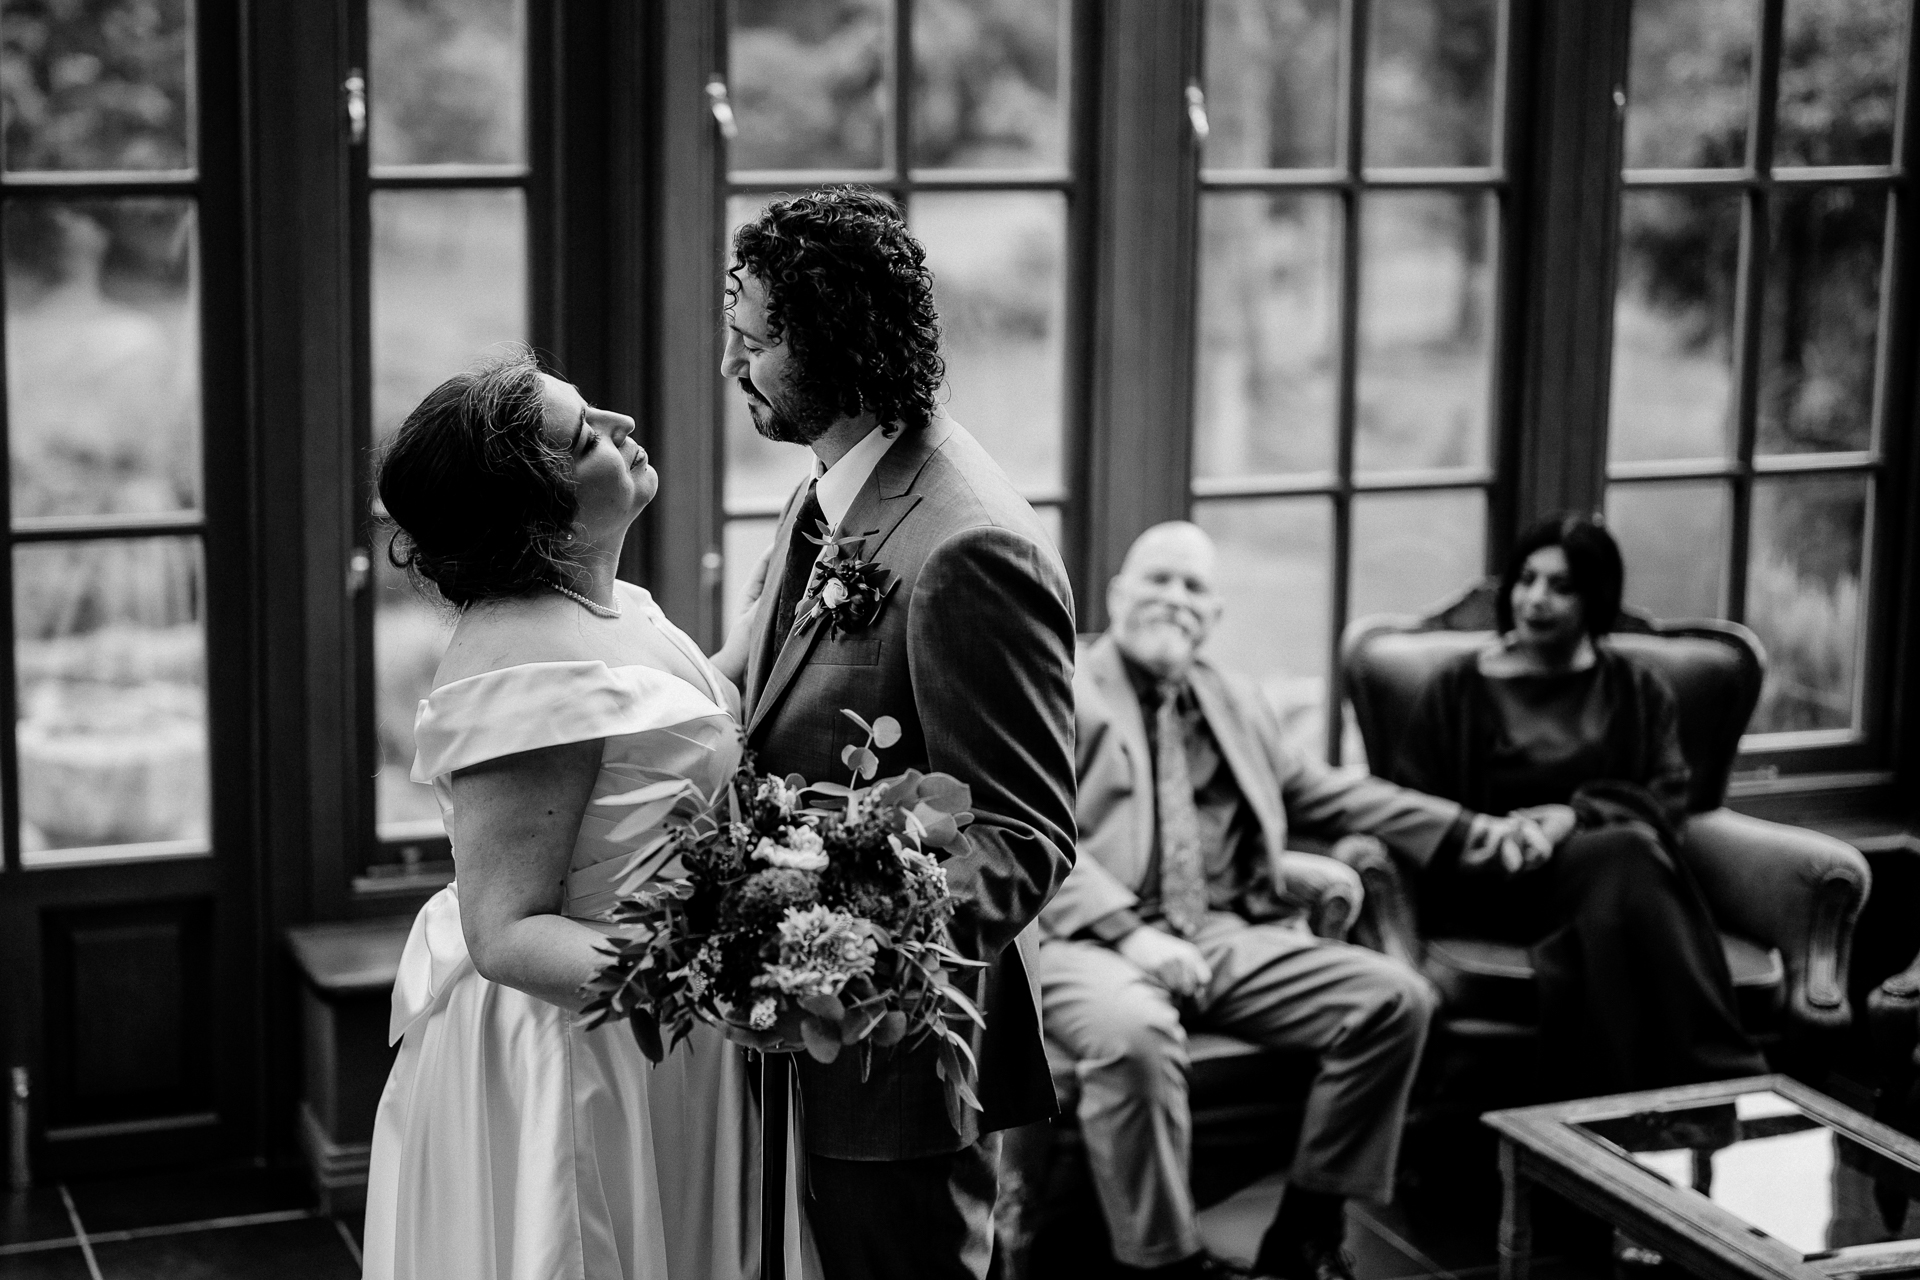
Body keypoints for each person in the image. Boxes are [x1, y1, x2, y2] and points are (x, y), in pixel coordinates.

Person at [361, 349, 802, 1280]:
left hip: (657, 1024)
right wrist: (722, 986)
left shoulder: (605, 603)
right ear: (533, 511)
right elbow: (506, 933)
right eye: (582, 436)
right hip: (581, 1042)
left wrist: (787, 604)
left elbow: (675, 721)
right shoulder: (517, 662)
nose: (622, 426)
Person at [725, 187, 1077, 1280]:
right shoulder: (835, 485)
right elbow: (763, 696)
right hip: (803, 1053)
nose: (733, 362)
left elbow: (1021, 838)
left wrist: (818, 938)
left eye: (752, 340)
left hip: (894, 1061)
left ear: (826, 341)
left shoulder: (970, 546)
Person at [1041, 521, 1456, 1280]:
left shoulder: (1236, 700)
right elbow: (1025, 826)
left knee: (1395, 999)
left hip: (1222, 932)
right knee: (1134, 1034)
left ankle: (1306, 1230)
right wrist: (1133, 936)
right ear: (1114, 595)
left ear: (1214, 615)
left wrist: (1464, 828)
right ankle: (1166, 1265)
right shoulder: (1060, 688)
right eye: (1156, 579)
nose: (1173, 599)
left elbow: (1327, 792)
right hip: (1085, 940)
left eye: (1193, 586)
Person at [1392, 513, 1767, 1098]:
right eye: (1527, 580)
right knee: (1629, 852)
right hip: (1495, 885)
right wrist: (1493, 838)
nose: (1536, 600)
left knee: (1625, 855)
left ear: (1595, 598)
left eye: (1561, 587)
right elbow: (1414, 805)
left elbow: (1668, 798)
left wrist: (1575, 817)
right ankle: (1721, 1078)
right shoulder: (1456, 689)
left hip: (1609, 884)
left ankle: (1613, 1124)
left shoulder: (1635, 689)